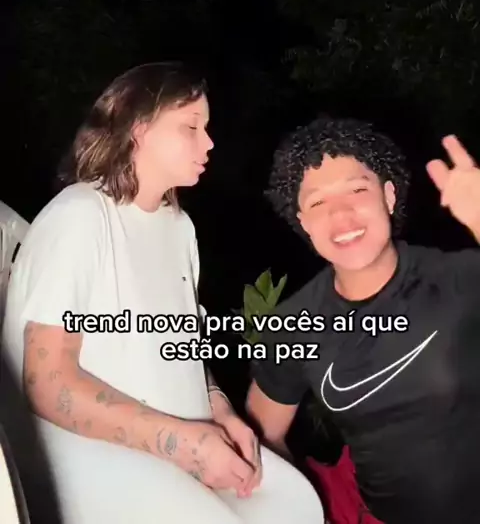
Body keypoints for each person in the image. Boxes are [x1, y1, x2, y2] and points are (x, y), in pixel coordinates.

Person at [1, 62, 323, 524]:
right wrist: (181, 443)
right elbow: (47, 384)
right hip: (91, 468)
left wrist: (220, 411)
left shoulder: (178, 227)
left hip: (176, 454)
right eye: (191, 127)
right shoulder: (80, 216)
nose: (209, 143)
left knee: (297, 503)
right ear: (137, 129)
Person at [246, 114, 480, 524]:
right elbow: (261, 437)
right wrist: (297, 506)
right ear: (302, 221)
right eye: (318, 202)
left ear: (388, 196)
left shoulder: (457, 280)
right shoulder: (295, 326)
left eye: (357, 189)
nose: (341, 214)